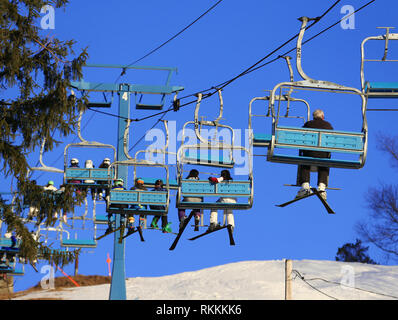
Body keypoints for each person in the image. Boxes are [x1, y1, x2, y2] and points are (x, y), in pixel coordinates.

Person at [295, 109, 333, 201]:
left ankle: (305, 185)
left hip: (309, 153)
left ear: (314, 117)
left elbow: (301, 138)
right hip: (323, 155)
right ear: (323, 117)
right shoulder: (328, 126)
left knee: (305, 159)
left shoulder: (308, 124)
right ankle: (322, 187)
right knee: (324, 161)